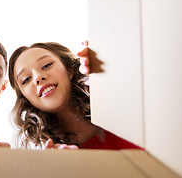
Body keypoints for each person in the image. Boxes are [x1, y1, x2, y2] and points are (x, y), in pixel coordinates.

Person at [8, 42, 143, 150]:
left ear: (69, 70)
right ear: (26, 99)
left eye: (46, 65)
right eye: (26, 79)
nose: (38, 77)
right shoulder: (54, 159)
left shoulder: (126, 110)